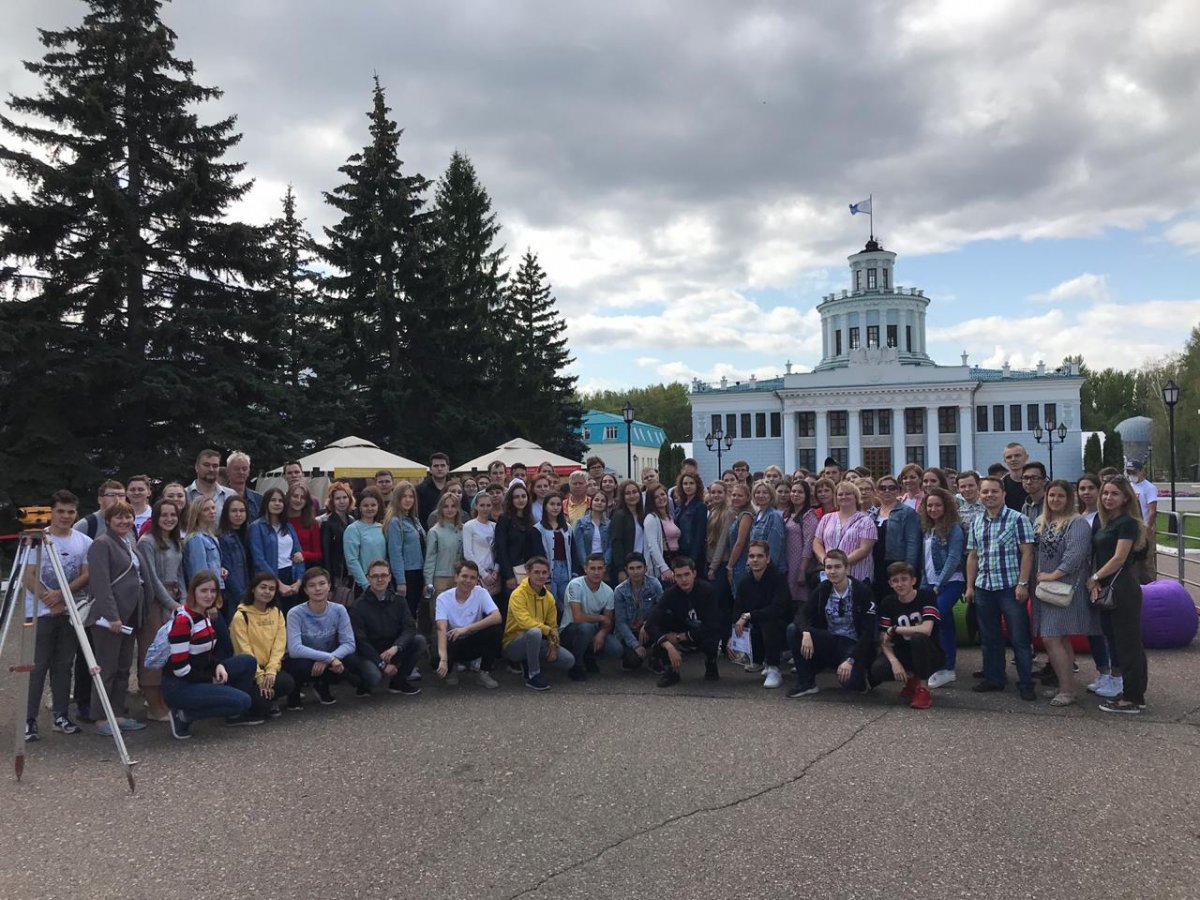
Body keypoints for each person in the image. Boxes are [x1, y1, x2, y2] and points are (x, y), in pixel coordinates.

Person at [22, 490, 91, 742]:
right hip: (40, 612)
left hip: (69, 612)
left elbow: (85, 574)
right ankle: (29, 719)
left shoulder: (83, 541)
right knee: (36, 666)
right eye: (60, 511)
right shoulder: (37, 539)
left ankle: (61, 715)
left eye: (70, 512)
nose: (65, 516)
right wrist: (47, 597)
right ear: (51, 512)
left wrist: (62, 595)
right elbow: (29, 575)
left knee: (63, 666)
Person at [84, 500, 154, 734]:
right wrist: (112, 615)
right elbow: (101, 584)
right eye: (119, 517)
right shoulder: (101, 544)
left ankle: (118, 712)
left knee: (124, 667)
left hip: (131, 614)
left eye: (128, 517)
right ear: (108, 521)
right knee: (106, 667)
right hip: (110, 618)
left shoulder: (129, 542)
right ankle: (100, 715)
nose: (124, 521)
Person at [162, 572, 260, 738]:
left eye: (213, 591)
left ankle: (229, 711)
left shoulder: (204, 615)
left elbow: (206, 654)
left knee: (248, 662)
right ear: (193, 591)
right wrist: (212, 681)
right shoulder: (183, 621)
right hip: (180, 685)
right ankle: (184, 715)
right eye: (204, 591)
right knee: (243, 701)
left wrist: (217, 665)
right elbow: (180, 669)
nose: (209, 596)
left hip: (199, 673)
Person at [965, 475, 1036, 700]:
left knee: (1019, 638)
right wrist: (970, 586)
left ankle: (1026, 682)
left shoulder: (1018, 519)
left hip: (1010, 587)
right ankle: (995, 678)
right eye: (985, 492)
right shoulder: (977, 522)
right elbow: (973, 557)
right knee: (989, 637)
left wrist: (1023, 583)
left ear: (1003, 494)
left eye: (994, 491)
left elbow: (1027, 553)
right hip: (984, 588)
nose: (989, 495)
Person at [1031, 480, 1100, 707]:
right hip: (1045, 590)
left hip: (1064, 588)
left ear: (1069, 499)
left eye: (1060, 496)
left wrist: (1053, 575)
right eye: (1051, 495)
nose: (1055, 500)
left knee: (1051, 638)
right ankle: (1066, 685)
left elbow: (1075, 555)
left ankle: (1067, 690)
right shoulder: (1042, 522)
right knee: (1060, 638)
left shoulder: (1077, 523)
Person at [1089, 475, 1150, 714]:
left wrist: (1094, 578)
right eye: (1105, 493)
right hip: (1108, 587)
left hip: (1122, 587)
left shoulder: (1127, 523)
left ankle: (1133, 697)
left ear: (1126, 497)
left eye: (1114, 493)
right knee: (1115, 640)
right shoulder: (1108, 521)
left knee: (1129, 645)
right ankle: (1129, 692)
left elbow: (1119, 558)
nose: (1108, 498)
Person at [786, 550, 878, 698]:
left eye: (837, 567)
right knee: (793, 630)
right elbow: (802, 614)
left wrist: (851, 660)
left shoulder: (862, 591)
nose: (833, 571)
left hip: (853, 644)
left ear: (846, 568)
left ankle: (860, 675)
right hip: (830, 639)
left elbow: (868, 632)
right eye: (829, 567)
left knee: (851, 684)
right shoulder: (824, 588)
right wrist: (806, 632)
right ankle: (806, 683)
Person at [136, 499, 185, 720]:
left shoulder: (175, 542)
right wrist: (172, 605)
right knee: (153, 651)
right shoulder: (147, 542)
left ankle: (165, 700)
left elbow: (180, 574)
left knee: (171, 653)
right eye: (164, 515)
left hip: (176, 599)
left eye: (172, 515)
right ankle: (153, 705)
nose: (169, 519)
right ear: (156, 518)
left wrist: (183, 601)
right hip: (155, 602)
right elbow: (152, 578)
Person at [283, 568, 361, 707]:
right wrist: (330, 658)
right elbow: (294, 649)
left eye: (322, 584)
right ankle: (294, 693)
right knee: (300, 666)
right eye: (312, 586)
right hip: (303, 659)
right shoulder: (295, 613)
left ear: (329, 586)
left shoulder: (339, 610)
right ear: (306, 590)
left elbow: (349, 643)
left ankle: (322, 685)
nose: (317, 589)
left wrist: (328, 659)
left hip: (328, 656)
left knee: (352, 659)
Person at [870, 562, 943, 710]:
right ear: (890, 583)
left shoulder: (926, 596)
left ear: (913, 581)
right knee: (878, 669)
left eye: (904, 579)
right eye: (895, 581)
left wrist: (896, 629)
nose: (900, 584)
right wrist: (894, 661)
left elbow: (926, 629)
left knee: (918, 638)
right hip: (903, 651)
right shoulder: (888, 602)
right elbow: (884, 638)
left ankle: (923, 688)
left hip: (929, 653)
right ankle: (911, 680)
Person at [348, 560, 425, 696]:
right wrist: (381, 664)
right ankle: (363, 685)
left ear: (389, 577)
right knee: (373, 677)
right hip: (369, 654)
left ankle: (398, 682)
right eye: (375, 576)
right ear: (368, 578)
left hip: (392, 650)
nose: (379, 579)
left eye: (384, 575)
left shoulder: (399, 601)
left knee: (419, 640)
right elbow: (360, 641)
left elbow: (410, 628)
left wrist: (397, 647)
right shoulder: (358, 606)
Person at [644, 556, 720, 687]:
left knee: (712, 638)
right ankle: (671, 670)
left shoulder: (707, 591)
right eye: (679, 576)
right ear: (674, 576)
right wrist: (668, 645)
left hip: (700, 633)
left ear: (694, 573)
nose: (684, 580)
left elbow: (714, 624)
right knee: (662, 631)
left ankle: (711, 662)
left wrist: (680, 637)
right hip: (679, 630)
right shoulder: (670, 594)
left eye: (687, 574)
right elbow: (651, 623)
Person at [501, 557, 575, 691]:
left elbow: (553, 625)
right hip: (513, 644)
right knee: (534, 632)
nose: (541, 576)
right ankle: (533, 675)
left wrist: (553, 645)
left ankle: (528, 661)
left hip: (537, 640)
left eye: (544, 572)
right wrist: (548, 630)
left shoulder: (549, 597)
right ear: (528, 572)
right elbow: (525, 622)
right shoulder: (518, 594)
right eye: (536, 572)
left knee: (568, 661)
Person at [230, 573, 295, 718]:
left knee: (287, 683)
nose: (267, 592)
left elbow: (279, 645)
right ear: (253, 589)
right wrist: (260, 678)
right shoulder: (241, 616)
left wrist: (271, 671)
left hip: (270, 668)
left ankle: (270, 697)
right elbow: (243, 649)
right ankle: (260, 700)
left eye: (272, 589)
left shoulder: (276, 613)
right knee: (260, 707)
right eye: (263, 587)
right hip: (249, 671)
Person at [919, 488, 965, 690]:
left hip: (951, 582)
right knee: (944, 624)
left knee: (936, 617)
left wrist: (939, 584)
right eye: (929, 505)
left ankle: (947, 666)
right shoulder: (928, 529)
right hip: (928, 582)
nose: (933, 509)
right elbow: (925, 560)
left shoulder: (953, 528)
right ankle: (945, 667)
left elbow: (954, 558)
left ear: (946, 506)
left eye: (938, 505)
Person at [732, 541, 791, 689]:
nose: (755, 560)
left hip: (782, 627)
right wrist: (733, 633)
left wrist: (748, 616)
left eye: (760, 556)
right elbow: (737, 609)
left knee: (767, 621)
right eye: (751, 556)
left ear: (768, 559)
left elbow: (777, 609)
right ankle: (756, 660)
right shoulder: (745, 582)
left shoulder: (778, 578)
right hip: (757, 625)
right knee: (743, 624)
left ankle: (773, 668)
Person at [435, 560, 503, 688]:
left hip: (473, 640)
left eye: (472, 578)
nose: (468, 580)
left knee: (495, 630)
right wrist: (443, 660)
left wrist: (466, 629)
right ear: (456, 577)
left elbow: (497, 617)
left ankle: (484, 673)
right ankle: (451, 667)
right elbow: (441, 628)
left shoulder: (481, 592)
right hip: (452, 641)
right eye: (464, 576)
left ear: (477, 581)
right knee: (435, 658)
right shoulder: (443, 598)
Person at [559, 554, 622, 679]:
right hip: (570, 631)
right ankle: (576, 665)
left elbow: (608, 621)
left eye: (599, 568)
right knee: (586, 628)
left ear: (605, 569)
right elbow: (577, 617)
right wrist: (600, 618)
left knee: (616, 649)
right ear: (585, 569)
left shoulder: (609, 591)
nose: (596, 572)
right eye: (592, 568)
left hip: (592, 630)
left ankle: (587, 657)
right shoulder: (575, 585)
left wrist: (602, 634)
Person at [248, 487, 306, 610]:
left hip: (291, 575)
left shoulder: (288, 526)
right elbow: (259, 559)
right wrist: (278, 584)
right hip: (270, 579)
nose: (277, 503)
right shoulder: (256, 527)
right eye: (273, 500)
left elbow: (298, 555)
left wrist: (299, 582)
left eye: (280, 501)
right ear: (266, 503)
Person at [813, 481, 877, 585]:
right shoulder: (827, 518)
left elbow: (864, 549)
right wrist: (826, 561)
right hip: (830, 574)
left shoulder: (866, 521)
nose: (844, 496)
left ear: (856, 497)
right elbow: (817, 542)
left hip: (857, 575)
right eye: (840, 494)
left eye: (848, 494)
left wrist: (841, 563)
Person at [869, 474, 921, 598]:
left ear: (898, 490)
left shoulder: (908, 513)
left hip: (897, 563)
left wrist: (909, 569)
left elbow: (913, 542)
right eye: (883, 488)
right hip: (876, 563)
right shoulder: (873, 514)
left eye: (892, 488)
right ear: (877, 492)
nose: (887, 491)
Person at [494, 482, 540, 617]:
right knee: (511, 610)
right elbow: (501, 549)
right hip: (511, 573)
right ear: (511, 500)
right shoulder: (504, 519)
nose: (521, 500)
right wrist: (509, 575)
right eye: (516, 497)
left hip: (527, 572)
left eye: (523, 496)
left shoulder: (530, 519)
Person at [612, 552, 664, 669]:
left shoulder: (654, 584)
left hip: (648, 627)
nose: (636, 572)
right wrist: (635, 645)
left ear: (645, 568)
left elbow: (661, 609)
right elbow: (620, 622)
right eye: (631, 568)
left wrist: (647, 624)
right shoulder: (619, 591)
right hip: (629, 632)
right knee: (632, 663)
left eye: (639, 568)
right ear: (626, 570)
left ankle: (655, 655)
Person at [424, 493, 465, 627]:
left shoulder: (463, 529)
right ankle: (437, 647)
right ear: (440, 509)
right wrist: (429, 583)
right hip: (439, 579)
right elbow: (430, 559)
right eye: (446, 506)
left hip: (459, 579)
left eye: (453, 506)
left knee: (457, 618)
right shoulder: (434, 531)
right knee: (439, 620)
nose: (450, 509)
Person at [385, 481, 425, 615]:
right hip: (406, 573)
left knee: (414, 612)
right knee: (406, 613)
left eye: (411, 496)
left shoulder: (414, 520)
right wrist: (401, 581)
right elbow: (395, 553)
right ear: (397, 498)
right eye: (404, 496)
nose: (408, 500)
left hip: (418, 571)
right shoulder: (395, 522)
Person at [343, 487, 386, 597]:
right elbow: (352, 560)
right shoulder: (353, 529)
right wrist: (366, 585)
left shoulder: (382, 527)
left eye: (373, 505)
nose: (370, 508)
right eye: (366, 505)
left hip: (383, 582)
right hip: (363, 585)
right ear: (360, 508)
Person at [784, 480, 819, 611]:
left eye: (800, 492)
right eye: (793, 491)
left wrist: (802, 570)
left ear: (806, 495)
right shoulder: (788, 514)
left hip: (799, 564)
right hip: (787, 562)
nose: (795, 494)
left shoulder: (809, 516)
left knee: (799, 602)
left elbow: (809, 544)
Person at [534, 493, 573, 608]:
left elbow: (572, 551)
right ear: (545, 506)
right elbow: (538, 554)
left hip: (565, 568)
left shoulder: (567, 527)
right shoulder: (537, 529)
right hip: (549, 569)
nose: (555, 507)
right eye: (552, 504)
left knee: (566, 602)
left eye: (558, 504)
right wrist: (546, 579)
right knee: (551, 602)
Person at [216, 496, 251, 622]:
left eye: (242, 511)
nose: (238, 514)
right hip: (234, 595)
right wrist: (242, 596)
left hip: (251, 590)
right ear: (226, 513)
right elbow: (228, 571)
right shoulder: (223, 537)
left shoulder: (249, 533)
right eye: (234, 511)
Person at [182, 498, 224, 599]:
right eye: (206, 509)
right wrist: (207, 596)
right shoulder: (196, 539)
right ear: (197, 514)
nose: (212, 512)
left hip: (217, 588)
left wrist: (220, 570)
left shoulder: (211, 536)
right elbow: (199, 572)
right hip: (206, 594)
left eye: (213, 508)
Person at [463, 491, 501, 596]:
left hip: (494, 575)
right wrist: (483, 574)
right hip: (477, 574)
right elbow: (468, 553)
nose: (485, 508)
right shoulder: (469, 526)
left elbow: (499, 550)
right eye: (482, 505)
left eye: (488, 505)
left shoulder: (495, 526)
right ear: (476, 506)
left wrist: (496, 571)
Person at [321, 481, 356, 596]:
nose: (342, 501)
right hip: (336, 574)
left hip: (351, 572)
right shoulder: (327, 523)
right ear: (332, 501)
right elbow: (326, 554)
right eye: (337, 498)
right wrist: (329, 579)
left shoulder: (352, 520)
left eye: (345, 497)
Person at [1125, 459, 1158, 580]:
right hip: (1131, 528)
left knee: (1146, 561)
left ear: (1141, 471)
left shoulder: (1149, 488)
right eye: (1129, 472)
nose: (1131, 475)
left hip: (1144, 527)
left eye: (1133, 472)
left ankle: (1152, 588)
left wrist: (1148, 529)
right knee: (1133, 561)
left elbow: (1152, 511)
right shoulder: (1129, 487)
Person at [608, 480, 645, 584]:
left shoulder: (643, 515)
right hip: (627, 567)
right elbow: (616, 542)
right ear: (622, 497)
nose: (632, 495)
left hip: (641, 564)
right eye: (627, 493)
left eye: (634, 492)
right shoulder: (619, 516)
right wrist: (621, 569)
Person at [643, 484, 680, 586]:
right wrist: (664, 568)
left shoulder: (669, 516)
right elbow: (652, 545)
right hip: (664, 560)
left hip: (675, 558)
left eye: (662, 494)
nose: (661, 498)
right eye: (656, 497)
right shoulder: (651, 518)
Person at [673, 471, 707, 573]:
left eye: (691, 483)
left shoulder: (700, 506)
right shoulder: (680, 506)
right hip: (680, 552)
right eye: (685, 483)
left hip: (693, 555)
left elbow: (699, 535)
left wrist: (693, 559)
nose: (688, 486)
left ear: (697, 485)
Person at [186, 448, 236, 516]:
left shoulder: (230, 495)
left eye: (215, 466)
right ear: (196, 467)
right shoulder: (183, 496)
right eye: (206, 465)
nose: (211, 469)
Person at [572, 488, 610, 577]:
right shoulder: (581, 523)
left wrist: (604, 565)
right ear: (591, 503)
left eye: (603, 501)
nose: (599, 502)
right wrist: (587, 566)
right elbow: (579, 547)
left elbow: (610, 547)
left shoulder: (609, 524)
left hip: (603, 564)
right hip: (586, 563)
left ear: (606, 505)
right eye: (596, 500)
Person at [726, 482, 754, 596]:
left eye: (740, 496)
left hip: (741, 563)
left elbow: (740, 543)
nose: (735, 498)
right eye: (734, 495)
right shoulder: (738, 514)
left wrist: (730, 566)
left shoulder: (746, 515)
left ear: (747, 498)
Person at [287, 483, 323, 569]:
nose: (298, 500)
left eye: (302, 498)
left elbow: (318, 554)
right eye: (295, 496)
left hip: (305, 569)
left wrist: (303, 555)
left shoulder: (312, 523)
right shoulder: (281, 520)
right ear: (288, 498)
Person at [225, 451, 263, 519]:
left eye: (244, 469)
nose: (241, 472)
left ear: (248, 471)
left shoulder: (259, 500)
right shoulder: (219, 497)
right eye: (236, 469)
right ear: (228, 471)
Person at [416, 452, 451, 525]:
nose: (439, 468)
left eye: (442, 465)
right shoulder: (420, 490)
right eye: (436, 466)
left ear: (448, 468)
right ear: (430, 469)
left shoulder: (456, 489)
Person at [1001, 443, 1030, 511]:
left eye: (1017, 455)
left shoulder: (1040, 482)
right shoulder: (1001, 485)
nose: (1013, 459)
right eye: (1009, 457)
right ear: (1004, 461)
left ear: (1026, 457)